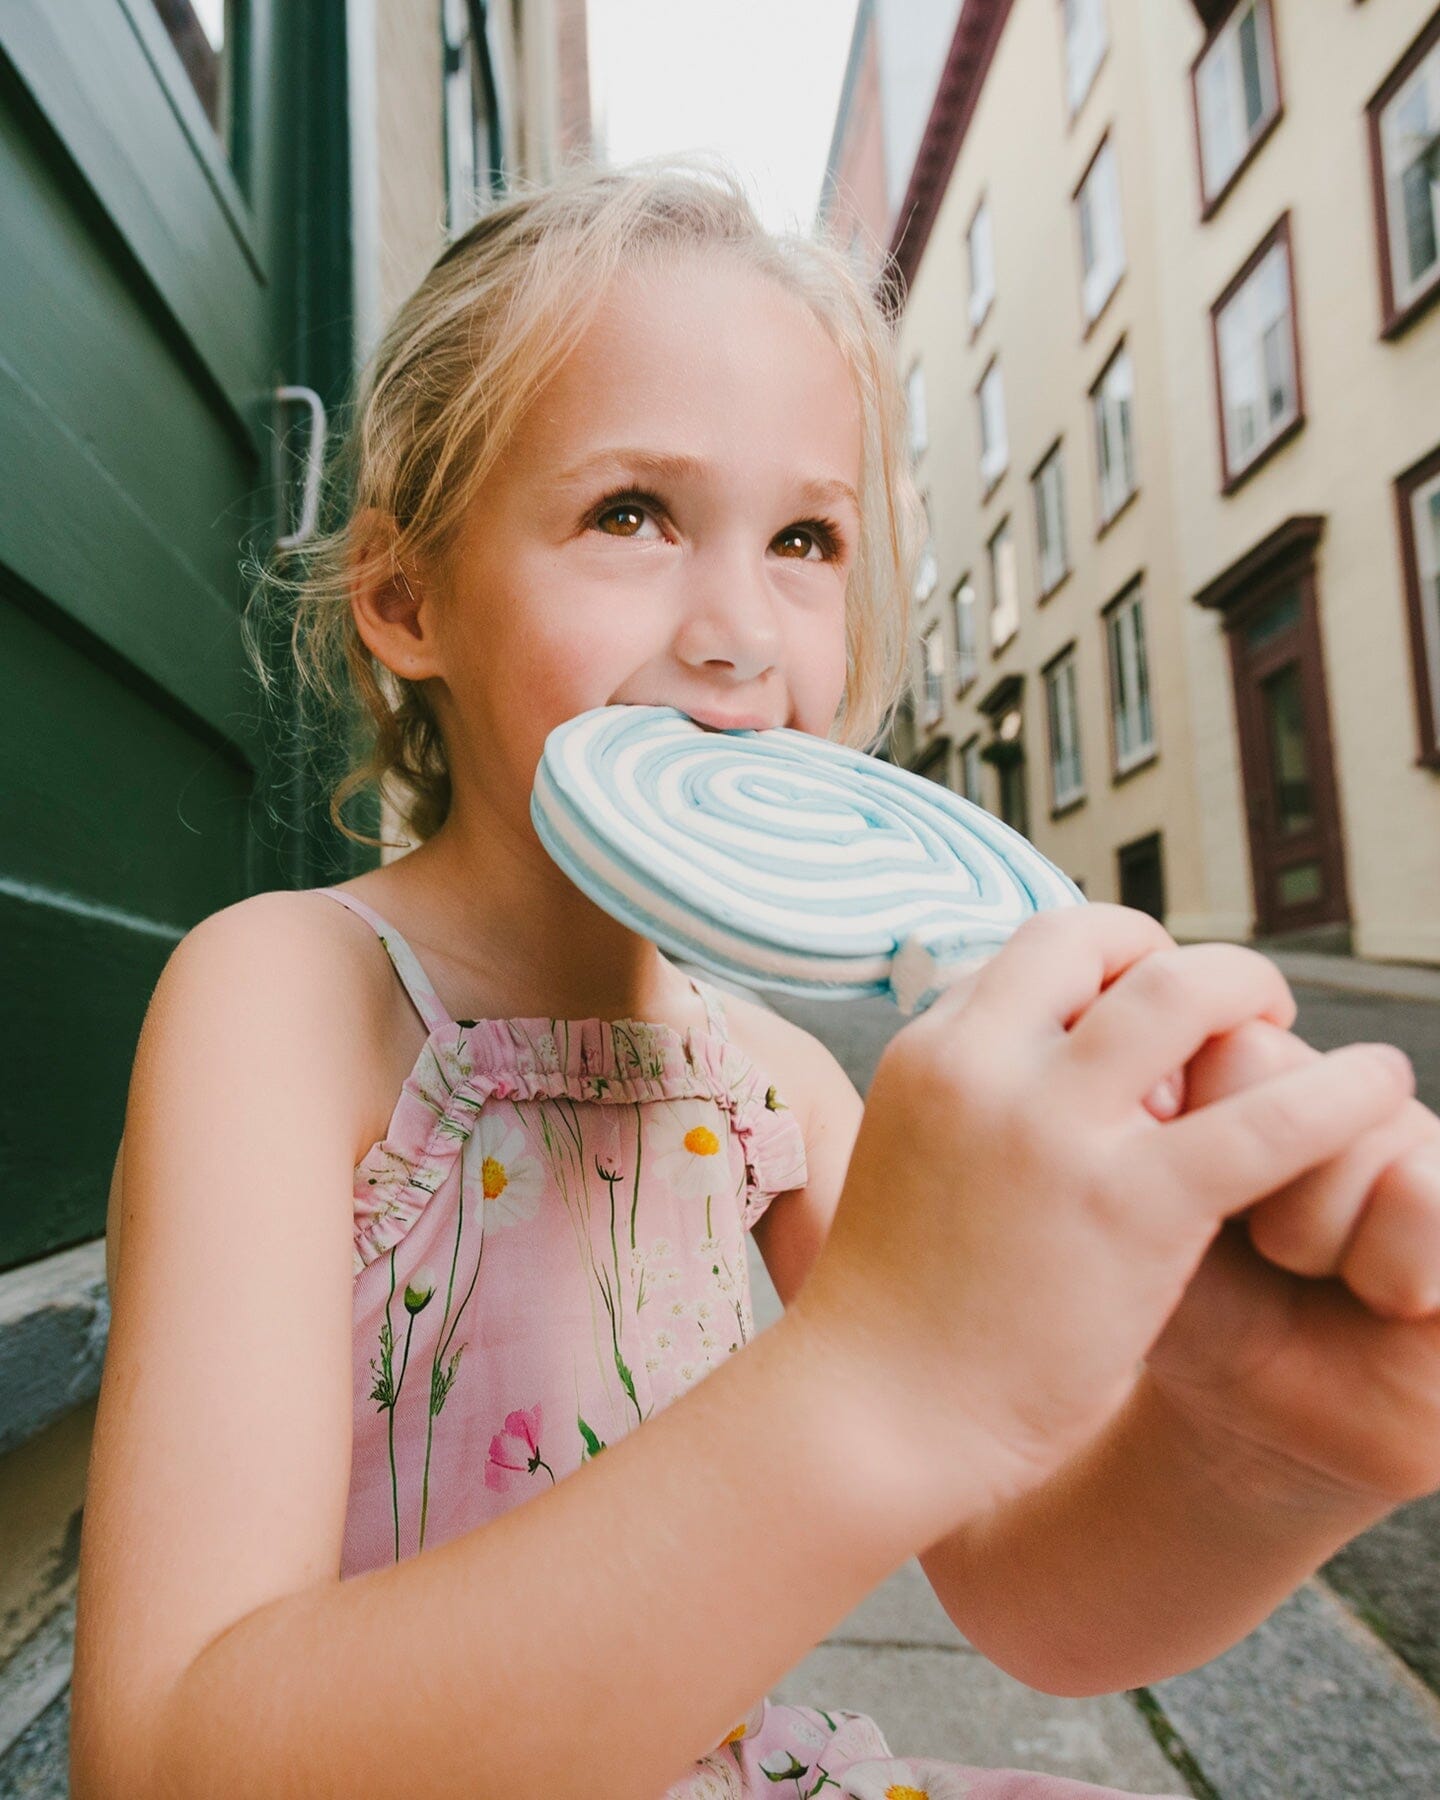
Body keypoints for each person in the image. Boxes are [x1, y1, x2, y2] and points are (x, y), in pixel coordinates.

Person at [69, 154, 1440, 1800]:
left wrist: (1262, 1441)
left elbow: (1031, 1594)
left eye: (805, 537)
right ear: (405, 597)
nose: (737, 632)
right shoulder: (287, 999)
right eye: (631, 514)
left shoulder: (775, 1083)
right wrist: (877, 1374)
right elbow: (164, 1762)